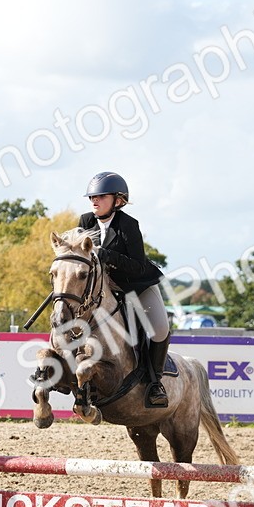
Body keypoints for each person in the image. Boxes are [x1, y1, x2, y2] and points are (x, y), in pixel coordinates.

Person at [77, 171, 170, 408]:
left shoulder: (128, 225)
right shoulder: (86, 221)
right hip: (103, 289)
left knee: (159, 329)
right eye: (92, 197)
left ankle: (155, 382)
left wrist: (108, 255)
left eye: (100, 196)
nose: (94, 201)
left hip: (136, 285)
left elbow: (138, 266)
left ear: (118, 200)